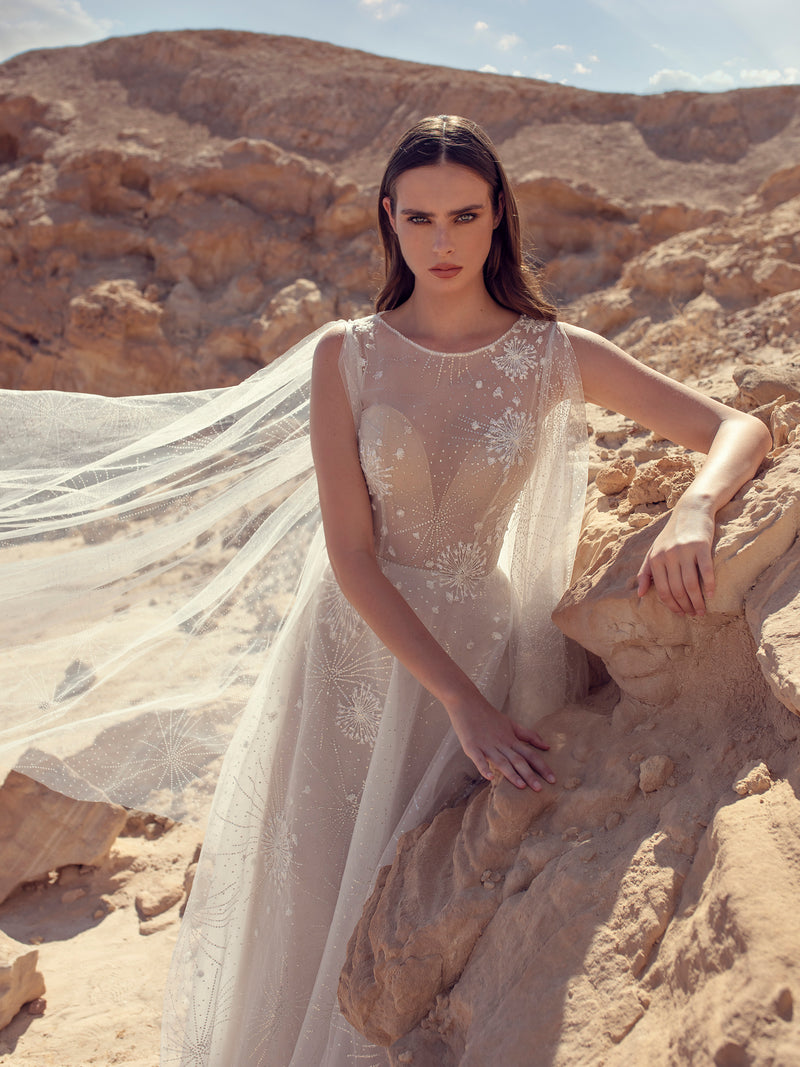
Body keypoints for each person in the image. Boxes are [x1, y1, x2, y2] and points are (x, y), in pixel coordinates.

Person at [0, 116, 770, 1066]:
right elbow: (352, 554)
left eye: (464, 215)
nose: (442, 241)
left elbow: (739, 428)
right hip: (355, 652)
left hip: (489, 644)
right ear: (388, 222)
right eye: (419, 219)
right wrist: (462, 704)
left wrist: (696, 506)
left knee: (419, 884)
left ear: (498, 219)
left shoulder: (550, 354)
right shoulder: (347, 355)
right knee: (319, 881)